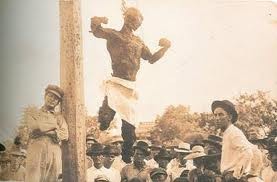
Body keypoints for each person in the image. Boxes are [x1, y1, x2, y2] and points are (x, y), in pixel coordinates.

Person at [90, 7, 171, 163]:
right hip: (116, 83)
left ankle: (127, 156)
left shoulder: (138, 41)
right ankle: (104, 119)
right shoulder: (114, 35)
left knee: (130, 129)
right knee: (105, 120)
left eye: (139, 23)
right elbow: (97, 31)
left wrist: (165, 48)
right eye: (136, 21)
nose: (137, 25)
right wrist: (98, 19)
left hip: (130, 87)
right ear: (128, 19)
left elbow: (152, 58)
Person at [24, 84, 69, 182]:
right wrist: (54, 127)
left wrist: (44, 129)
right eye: (50, 96)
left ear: (58, 103)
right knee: (33, 179)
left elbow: (65, 134)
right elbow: (33, 128)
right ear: (45, 96)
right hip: (36, 151)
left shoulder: (59, 117)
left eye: (56, 99)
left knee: (51, 179)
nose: (52, 99)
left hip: (53, 152)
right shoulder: (33, 113)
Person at [211, 100, 263, 182]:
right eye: (215, 115)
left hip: (232, 177)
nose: (217, 118)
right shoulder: (227, 133)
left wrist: (236, 175)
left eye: (221, 114)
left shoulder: (234, 132)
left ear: (230, 117)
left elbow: (248, 152)